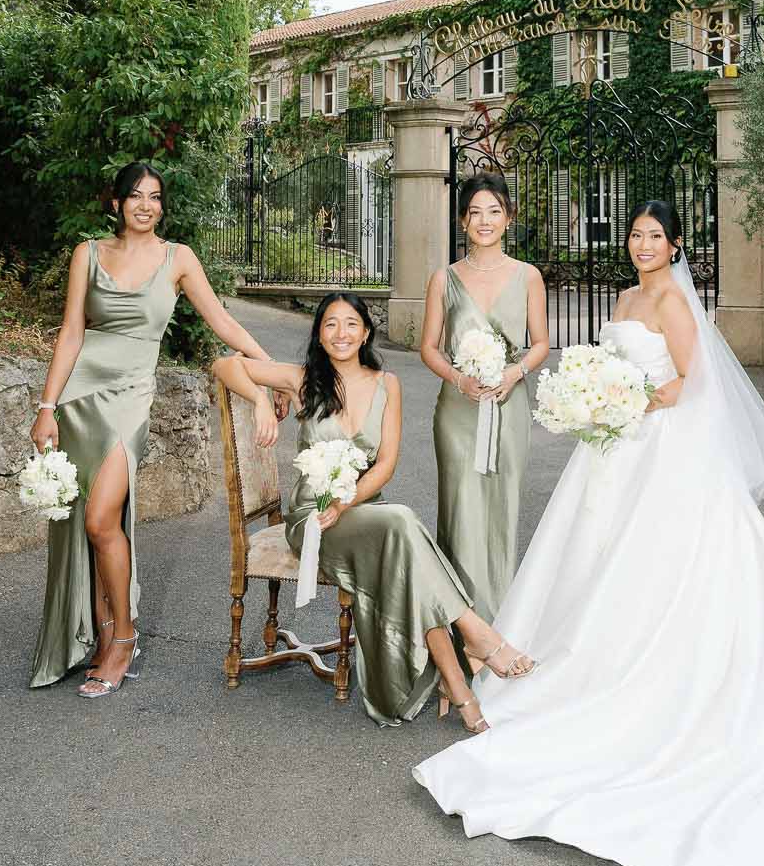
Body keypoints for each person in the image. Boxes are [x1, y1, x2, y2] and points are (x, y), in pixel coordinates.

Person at [412, 201, 764, 866]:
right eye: (635, 235)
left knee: (659, 568)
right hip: (614, 447)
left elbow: (687, 383)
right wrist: (596, 400)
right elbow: (617, 367)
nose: (643, 245)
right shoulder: (624, 297)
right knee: (591, 562)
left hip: (660, 449)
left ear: (674, 246)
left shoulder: (672, 300)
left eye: (654, 237)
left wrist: (618, 403)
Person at [213, 292, 535, 731]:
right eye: (330, 324)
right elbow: (224, 365)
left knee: (403, 538)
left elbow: (385, 465)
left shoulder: (388, 385)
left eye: (351, 324)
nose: (340, 333)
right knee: (402, 525)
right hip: (313, 518)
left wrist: (347, 500)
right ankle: (475, 638)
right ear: (319, 335)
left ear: (366, 333)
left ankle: (459, 686)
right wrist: (261, 399)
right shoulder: (302, 379)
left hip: (362, 510)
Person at [29, 161, 274, 697]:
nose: (146, 205)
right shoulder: (87, 253)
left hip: (130, 396)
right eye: (136, 196)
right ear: (117, 203)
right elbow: (71, 333)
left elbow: (222, 321)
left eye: (155, 197)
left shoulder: (177, 258)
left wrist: (270, 368)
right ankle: (101, 632)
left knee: (100, 518)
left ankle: (124, 637)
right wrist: (47, 407)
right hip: (79, 394)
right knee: (85, 522)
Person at [419, 172, 549, 660]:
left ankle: (499, 628)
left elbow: (541, 343)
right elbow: (429, 348)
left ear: (508, 218)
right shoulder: (444, 279)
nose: (485, 221)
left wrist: (515, 373)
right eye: (475, 212)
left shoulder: (528, 276)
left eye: (494, 211)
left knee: (501, 511)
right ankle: (461, 634)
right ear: (463, 221)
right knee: (460, 512)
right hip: (459, 411)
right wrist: (460, 379)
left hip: (509, 406)